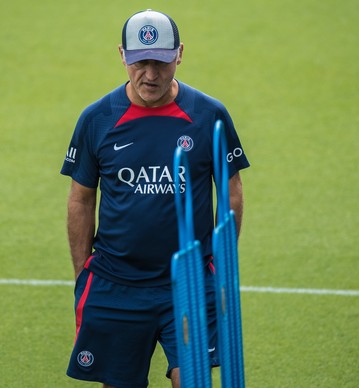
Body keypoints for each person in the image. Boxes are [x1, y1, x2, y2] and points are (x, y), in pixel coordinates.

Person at [61, 9, 250, 387]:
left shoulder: (208, 115)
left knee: (193, 382)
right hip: (116, 284)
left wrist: (217, 258)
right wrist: (83, 275)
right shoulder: (97, 119)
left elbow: (231, 191)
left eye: (161, 62)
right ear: (122, 55)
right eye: (140, 62)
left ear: (180, 53)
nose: (150, 74)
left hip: (189, 283)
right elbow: (81, 200)